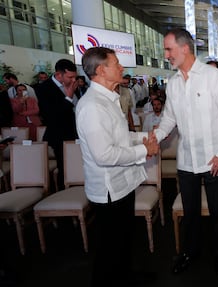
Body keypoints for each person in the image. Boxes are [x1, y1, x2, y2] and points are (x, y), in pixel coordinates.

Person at [154, 28, 218, 277]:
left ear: (185, 48)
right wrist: (156, 137)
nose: (166, 54)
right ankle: (190, 252)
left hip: (216, 159)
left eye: (169, 49)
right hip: (187, 159)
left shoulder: (212, 77)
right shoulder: (173, 83)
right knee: (190, 212)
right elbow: (169, 118)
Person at [76, 47, 159, 287]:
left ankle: (126, 276)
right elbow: (104, 154)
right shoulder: (92, 106)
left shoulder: (109, 99)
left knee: (123, 240)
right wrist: (145, 149)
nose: (122, 67)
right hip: (108, 189)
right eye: (116, 63)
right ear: (101, 70)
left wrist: (144, 137)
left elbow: (120, 139)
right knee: (108, 249)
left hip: (122, 183)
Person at [35, 59, 78, 190]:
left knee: (76, 165)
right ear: (59, 75)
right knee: (64, 167)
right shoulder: (43, 89)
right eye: (70, 77)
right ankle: (62, 193)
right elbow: (51, 116)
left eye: (74, 77)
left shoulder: (72, 84)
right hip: (59, 135)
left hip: (75, 132)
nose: (73, 80)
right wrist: (69, 97)